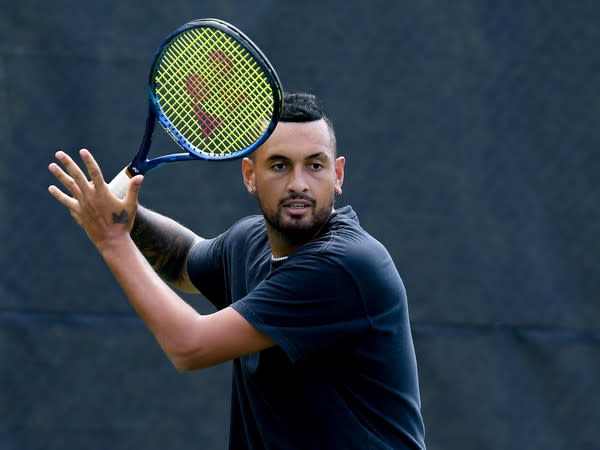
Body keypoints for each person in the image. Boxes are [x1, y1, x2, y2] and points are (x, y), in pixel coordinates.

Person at [48, 92, 426, 449]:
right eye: (279, 165)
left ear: (338, 175)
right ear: (249, 174)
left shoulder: (343, 266)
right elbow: (183, 260)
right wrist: (126, 219)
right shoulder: (249, 242)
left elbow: (189, 346)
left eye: (315, 165)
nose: (299, 183)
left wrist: (112, 239)